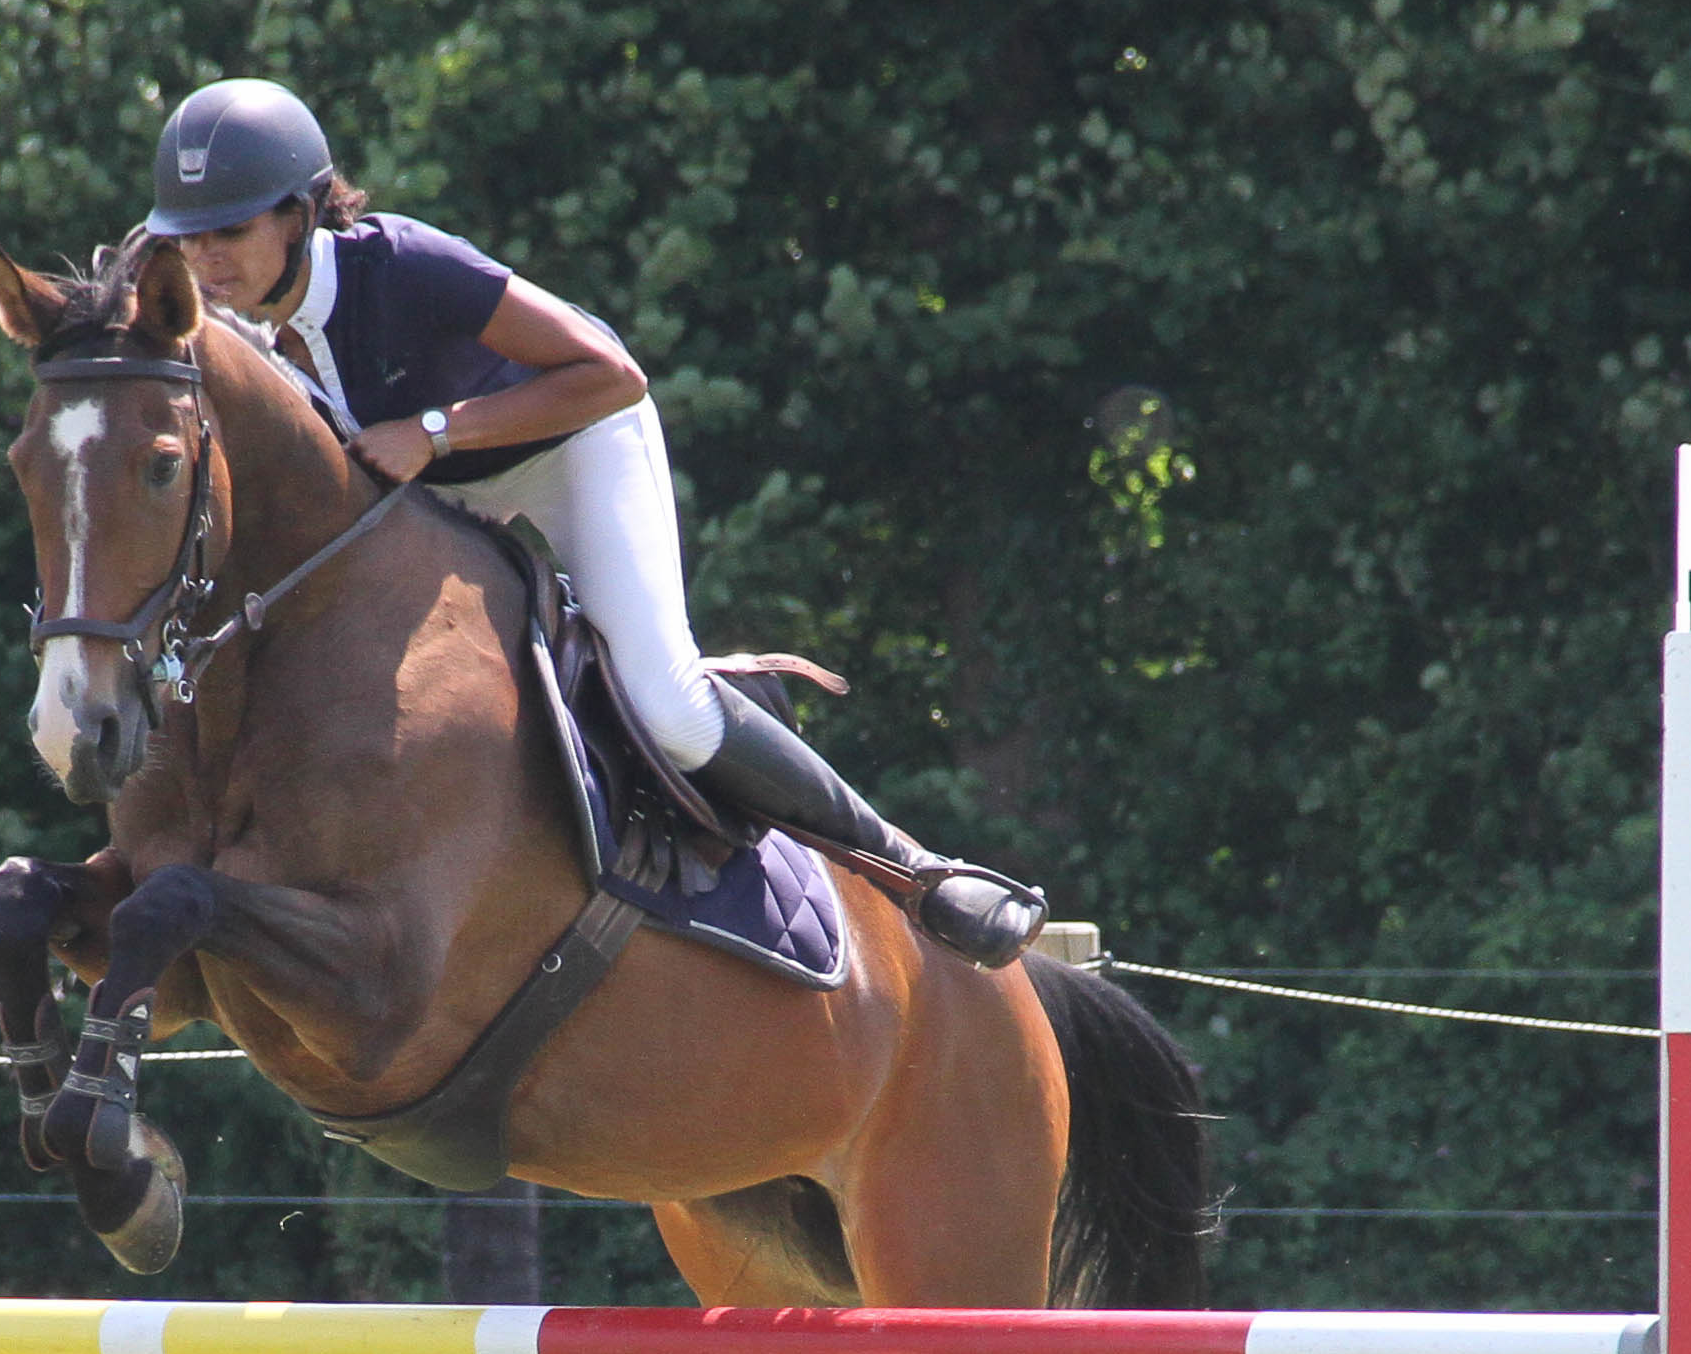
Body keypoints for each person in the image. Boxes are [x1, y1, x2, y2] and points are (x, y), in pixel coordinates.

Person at [137, 76, 1047, 967]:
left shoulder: (404, 264)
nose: (208, 262)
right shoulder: (233, 343)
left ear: (299, 217)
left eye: (231, 233)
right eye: (191, 240)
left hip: (574, 446)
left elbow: (611, 374)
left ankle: (917, 869)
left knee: (668, 707)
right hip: (443, 494)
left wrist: (434, 431)